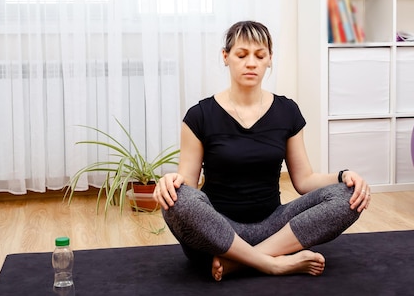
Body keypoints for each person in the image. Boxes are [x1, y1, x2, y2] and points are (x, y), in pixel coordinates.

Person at [154, 20, 371, 281]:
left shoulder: (287, 111)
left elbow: (304, 181)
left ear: (270, 59)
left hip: (274, 227)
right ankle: (272, 264)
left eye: (260, 55)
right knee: (177, 200)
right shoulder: (199, 115)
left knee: (349, 195)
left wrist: (344, 175)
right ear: (226, 57)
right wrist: (171, 183)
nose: (251, 63)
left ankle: (241, 262)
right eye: (242, 55)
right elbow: (187, 183)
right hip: (218, 232)